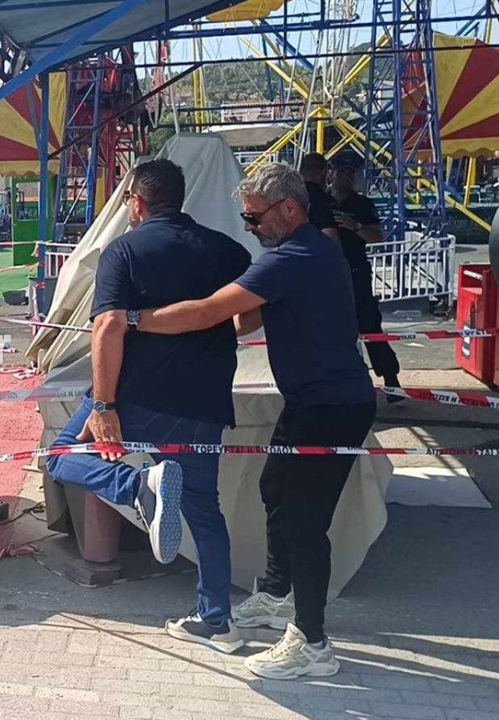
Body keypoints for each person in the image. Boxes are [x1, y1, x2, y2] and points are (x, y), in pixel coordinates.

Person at [135, 164, 377, 680]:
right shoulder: (311, 251)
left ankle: (312, 643)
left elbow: (207, 313)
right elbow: (246, 319)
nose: (250, 228)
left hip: (331, 409)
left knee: (305, 522)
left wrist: (134, 320)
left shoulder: (293, 258)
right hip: (313, 403)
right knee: (275, 490)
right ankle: (277, 593)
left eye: (254, 217)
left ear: (289, 208)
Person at [44, 159, 252, 654]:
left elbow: (108, 326)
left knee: (61, 455)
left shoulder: (124, 250)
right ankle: (218, 621)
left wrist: (103, 404)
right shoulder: (229, 251)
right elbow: (248, 320)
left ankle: (138, 486)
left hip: (139, 397)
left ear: (136, 203)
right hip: (205, 402)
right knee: (205, 510)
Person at [330, 154, 403, 398]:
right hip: (329, 277)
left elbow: (377, 236)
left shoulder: (362, 204)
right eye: (343, 171)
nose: (348, 177)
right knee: (331, 328)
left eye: (351, 173)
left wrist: (356, 226)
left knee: (370, 324)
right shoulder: (321, 201)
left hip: (356, 273)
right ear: (332, 172)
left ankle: (391, 379)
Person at [299, 152, 341, 243]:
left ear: (301, 171)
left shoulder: (288, 196)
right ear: (325, 172)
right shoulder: (326, 201)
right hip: (315, 248)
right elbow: (331, 236)